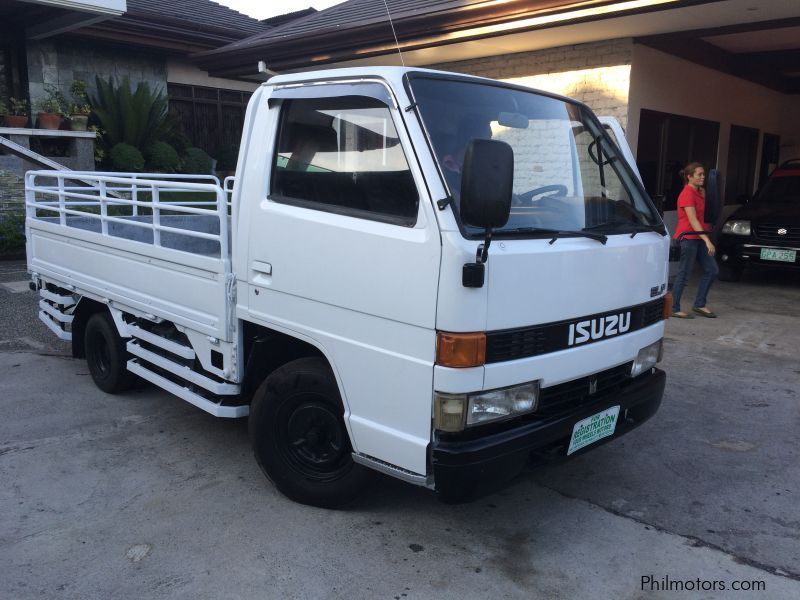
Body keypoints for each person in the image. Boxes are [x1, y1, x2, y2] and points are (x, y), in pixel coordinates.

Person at [671, 162, 719, 318]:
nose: (703, 177)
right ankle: (674, 308)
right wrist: (707, 240)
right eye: (699, 174)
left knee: (712, 270)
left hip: (699, 237)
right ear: (689, 176)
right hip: (689, 238)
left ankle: (699, 304)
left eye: (704, 174)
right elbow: (693, 220)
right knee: (684, 274)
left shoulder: (700, 192)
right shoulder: (687, 194)